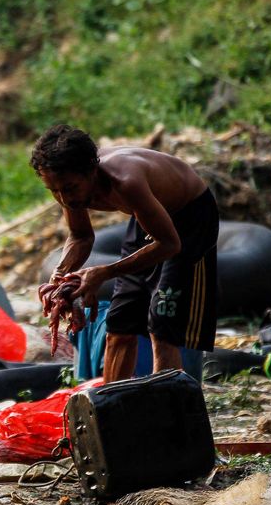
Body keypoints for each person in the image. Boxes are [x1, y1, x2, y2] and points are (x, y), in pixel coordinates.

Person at [31, 124, 218, 382]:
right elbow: (81, 236)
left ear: (91, 172)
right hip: (147, 218)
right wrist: (59, 278)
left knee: (162, 322)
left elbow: (169, 244)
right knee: (120, 322)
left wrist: (106, 271)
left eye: (70, 188)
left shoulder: (126, 182)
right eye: (54, 190)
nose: (64, 199)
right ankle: (111, 408)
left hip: (189, 217)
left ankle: (167, 411)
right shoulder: (68, 187)